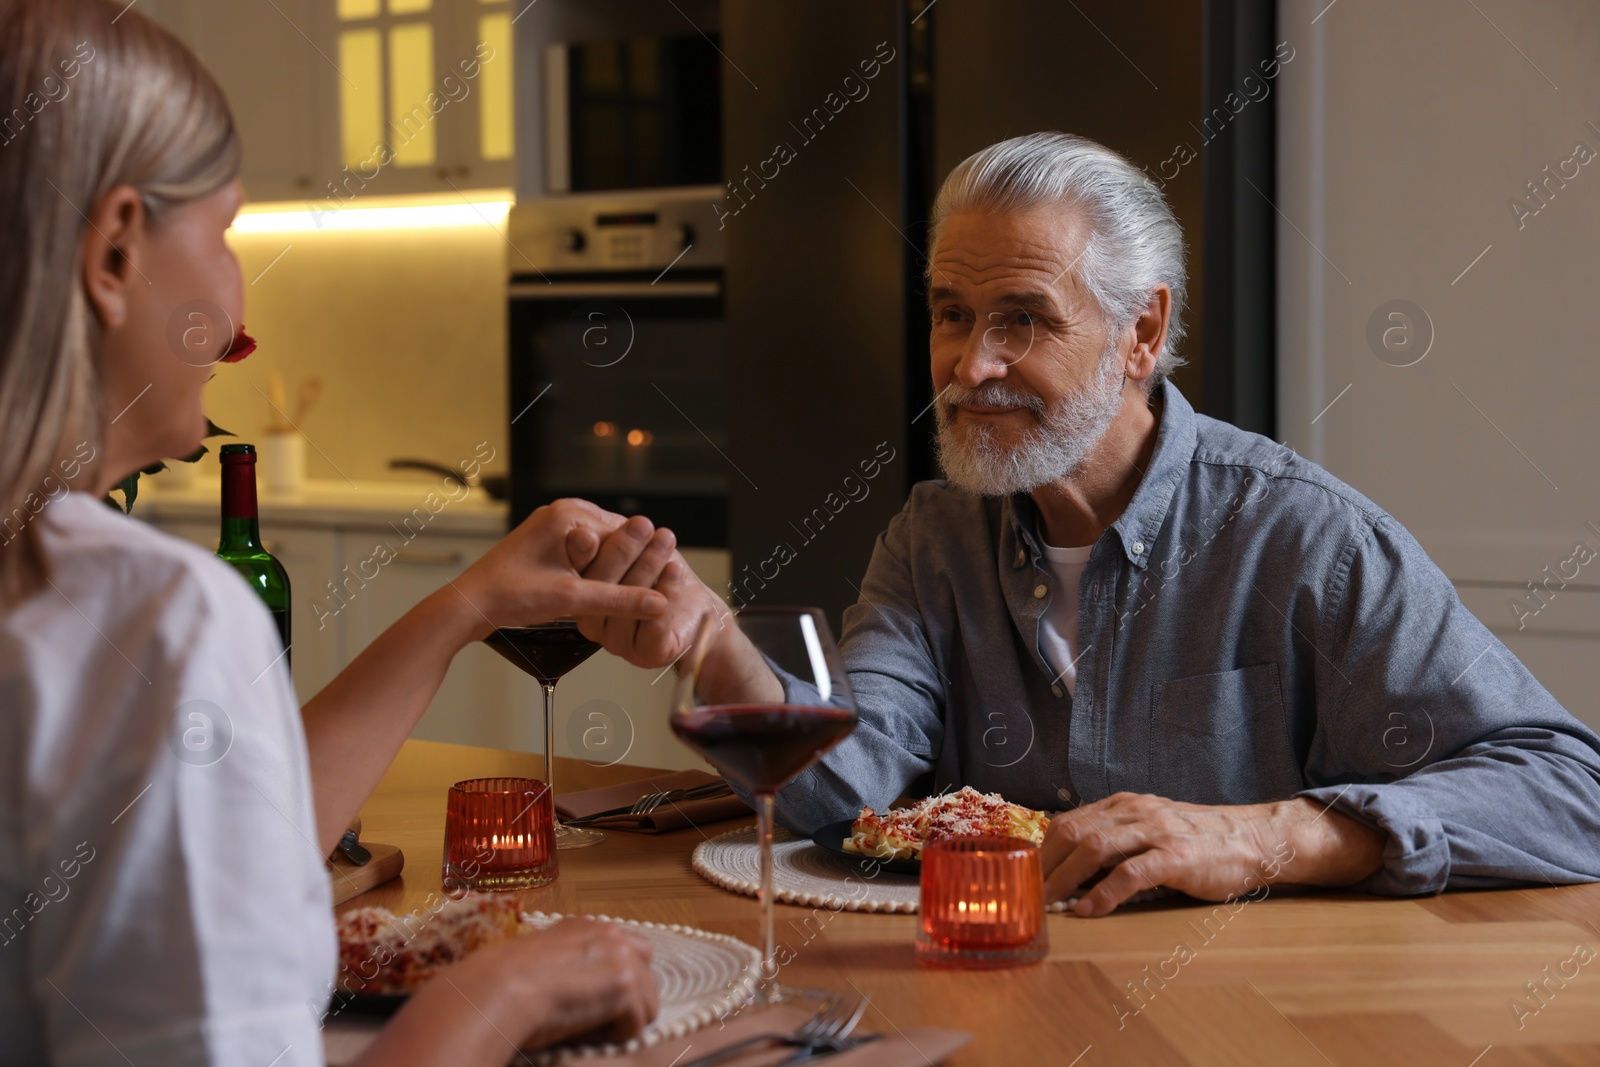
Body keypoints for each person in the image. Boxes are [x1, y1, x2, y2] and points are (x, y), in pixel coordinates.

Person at [575, 131, 1600, 918]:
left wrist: (1269, 836)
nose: (971, 365)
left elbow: (1569, 789)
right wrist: (710, 643)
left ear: (1140, 332)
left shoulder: (1306, 538)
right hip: (994, 989)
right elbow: (847, 786)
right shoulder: (931, 538)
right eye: (950, 314)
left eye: (1021, 318)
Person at [0, 3, 677, 1063]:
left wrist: (468, 604)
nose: (235, 299)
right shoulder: (152, 612)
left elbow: (231, 844)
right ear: (116, 250)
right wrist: (488, 1001)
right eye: (225, 232)